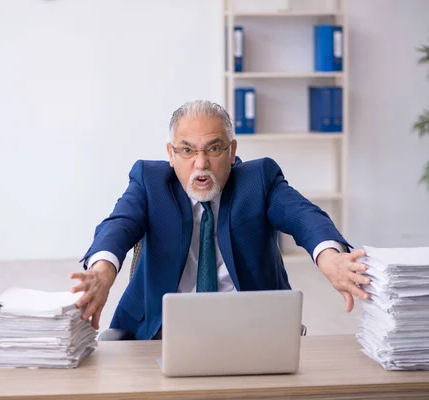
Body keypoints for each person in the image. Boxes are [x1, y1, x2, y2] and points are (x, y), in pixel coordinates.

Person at [69, 100, 370, 340]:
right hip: (158, 332)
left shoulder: (259, 180)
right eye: (187, 150)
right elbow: (119, 224)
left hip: (252, 331)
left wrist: (330, 258)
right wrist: (103, 272)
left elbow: (304, 216)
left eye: (213, 148)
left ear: (232, 151)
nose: (201, 163)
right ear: (170, 154)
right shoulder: (150, 182)